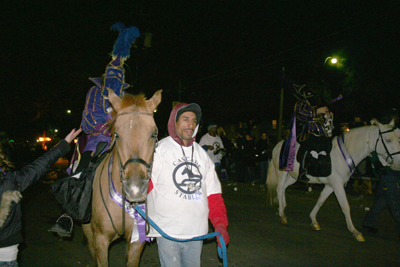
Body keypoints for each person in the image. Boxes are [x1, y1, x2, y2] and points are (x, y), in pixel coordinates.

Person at [50, 22, 140, 236]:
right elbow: (87, 120)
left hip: (120, 141)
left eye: (120, 76)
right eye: (112, 74)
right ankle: (68, 215)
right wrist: (107, 125)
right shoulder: (94, 92)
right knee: (83, 169)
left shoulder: (126, 98)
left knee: (143, 165)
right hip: (96, 140)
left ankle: (148, 213)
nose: (116, 78)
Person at [147, 103, 229, 267]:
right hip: (167, 231)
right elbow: (144, 188)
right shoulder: (159, 150)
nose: (190, 124)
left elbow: (213, 195)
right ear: (174, 122)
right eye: (185, 119)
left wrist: (220, 224)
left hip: (196, 232)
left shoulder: (202, 155)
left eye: (193, 121)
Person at [0, 128, 81, 266]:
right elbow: (37, 167)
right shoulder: (10, 181)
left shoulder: (11, 179)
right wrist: (63, 144)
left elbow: (36, 167)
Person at [362, 108, 400, 237]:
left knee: (383, 199)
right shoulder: (378, 131)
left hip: (395, 169)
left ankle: (368, 222)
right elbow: (370, 148)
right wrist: (376, 163)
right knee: (394, 200)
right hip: (386, 170)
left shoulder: (396, 131)